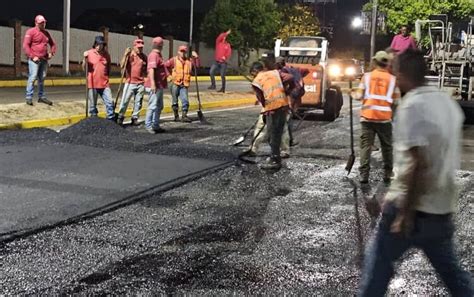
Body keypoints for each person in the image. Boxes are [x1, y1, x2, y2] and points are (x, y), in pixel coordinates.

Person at [358, 49, 473, 297]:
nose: (394, 78)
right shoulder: (447, 103)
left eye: (396, 73)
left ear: (403, 74)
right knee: (455, 277)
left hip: (410, 209)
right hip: (441, 211)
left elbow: (417, 164)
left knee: (378, 268)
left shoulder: (412, 106)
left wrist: (405, 214)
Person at [353, 51, 400, 184]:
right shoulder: (392, 80)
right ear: (387, 63)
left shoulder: (367, 77)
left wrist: (352, 93)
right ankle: (387, 173)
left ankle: (364, 175)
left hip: (367, 118)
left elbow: (358, 96)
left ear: (375, 62)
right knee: (387, 147)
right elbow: (397, 101)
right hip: (384, 119)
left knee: (365, 147)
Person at [250, 61, 294, 170]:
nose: (252, 76)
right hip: (283, 105)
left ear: (255, 71)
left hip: (272, 108)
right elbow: (290, 77)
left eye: (252, 74)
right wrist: (287, 90)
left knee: (272, 135)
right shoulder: (275, 73)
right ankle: (276, 157)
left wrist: (265, 111)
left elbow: (261, 99)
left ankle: (275, 160)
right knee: (278, 133)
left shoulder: (256, 81)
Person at [23, 15, 56, 106]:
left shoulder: (46, 33)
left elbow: (53, 44)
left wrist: (51, 53)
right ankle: (29, 97)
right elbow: (25, 46)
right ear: (36, 23)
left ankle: (41, 97)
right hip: (34, 60)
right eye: (41, 23)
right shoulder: (31, 32)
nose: (43, 24)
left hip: (44, 60)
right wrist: (32, 56)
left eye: (44, 22)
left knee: (42, 78)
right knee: (33, 77)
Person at [83, 36, 116, 121]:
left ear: (103, 45)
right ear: (95, 44)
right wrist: (84, 59)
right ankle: (94, 122)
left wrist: (106, 77)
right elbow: (84, 68)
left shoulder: (106, 55)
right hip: (93, 84)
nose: (99, 46)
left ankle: (110, 120)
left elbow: (109, 68)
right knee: (93, 106)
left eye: (101, 44)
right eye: (97, 44)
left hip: (104, 84)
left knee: (109, 103)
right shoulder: (89, 53)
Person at [116, 39, 147, 126]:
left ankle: (135, 118)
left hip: (140, 83)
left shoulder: (144, 57)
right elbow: (122, 65)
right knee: (125, 101)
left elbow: (147, 69)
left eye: (141, 48)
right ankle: (120, 117)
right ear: (134, 47)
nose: (140, 49)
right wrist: (125, 54)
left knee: (138, 102)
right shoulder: (130, 55)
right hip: (130, 82)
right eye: (138, 47)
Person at [165, 45, 200, 122]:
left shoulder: (189, 61)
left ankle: (184, 116)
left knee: (185, 100)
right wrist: (168, 75)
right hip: (174, 83)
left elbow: (197, 67)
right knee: (175, 101)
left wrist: (196, 58)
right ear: (178, 52)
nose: (183, 53)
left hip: (184, 85)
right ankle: (176, 116)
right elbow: (165, 66)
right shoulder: (173, 60)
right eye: (181, 51)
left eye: (184, 51)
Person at [144, 37, 168, 134]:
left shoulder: (158, 55)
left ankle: (155, 125)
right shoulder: (154, 55)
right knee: (153, 105)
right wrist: (153, 84)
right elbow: (151, 70)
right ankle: (148, 125)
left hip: (159, 85)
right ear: (161, 45)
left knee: (159, 106)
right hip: (155, 86)